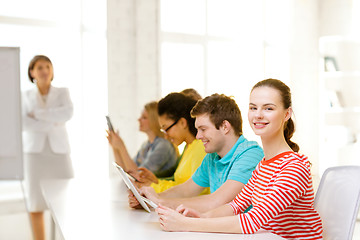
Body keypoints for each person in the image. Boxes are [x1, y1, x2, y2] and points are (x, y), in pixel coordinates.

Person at [156, 79, 323, 240]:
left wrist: (188, 224)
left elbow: (252, 221)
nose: (258, 115)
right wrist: (201, 217)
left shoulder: (294, 167)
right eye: (253, 107)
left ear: (286, 114)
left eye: (268, 108)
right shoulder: (263, 165)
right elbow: (235, 206)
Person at [131, 94, 263, 212]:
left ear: (225, 126)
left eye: (203, 129)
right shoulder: (212, 158)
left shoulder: (250, 155)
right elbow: (186, 190)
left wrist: (160, 202)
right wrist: (148, 200)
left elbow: (217, 202)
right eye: (197, 130)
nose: (198, 136)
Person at [22, 55, 74, 240]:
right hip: (34, 156)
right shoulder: (25, 95)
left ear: (52, 71)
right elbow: (23, 123)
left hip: (59, 154)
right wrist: (53, 121)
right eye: (39, 67)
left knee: (65, 202)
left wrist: (37, 114)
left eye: (47, 66)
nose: (44, 70)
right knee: (35, 204)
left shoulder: (62, 92)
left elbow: (67, 113)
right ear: (32, 72)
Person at [132, 92, 208, 194]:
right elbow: (179, 185)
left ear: (182, 123)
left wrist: (153, 187)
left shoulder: (201, 148)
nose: (166, 136)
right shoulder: (189, 147)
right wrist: (156, 182)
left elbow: (193, 192)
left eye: (166, 129)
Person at [107, 101, 178, 178]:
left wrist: (122, 147)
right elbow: (126, 170)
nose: (139, 119)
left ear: (154, 121)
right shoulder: (146, 144)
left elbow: (138, 176)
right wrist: (115, 147)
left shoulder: (164, 146)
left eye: (144, 117)